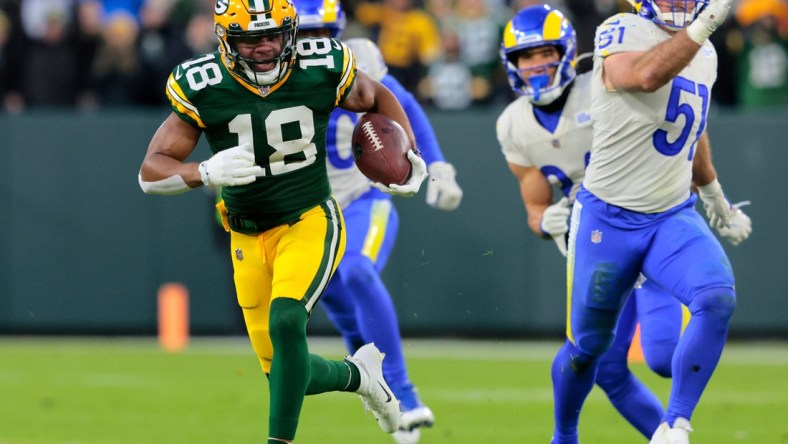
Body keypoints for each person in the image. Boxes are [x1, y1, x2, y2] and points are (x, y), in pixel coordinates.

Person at [137, 0, 429, 442]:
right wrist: (205, 172)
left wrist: (409, 154)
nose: (266, 47)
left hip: (308, 217)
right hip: (246, 232)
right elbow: (150, 171)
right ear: (226, 40)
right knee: (285, 377)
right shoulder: (203, 84)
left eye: (274, 35)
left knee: (288, 320)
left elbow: (377, 96)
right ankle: (361, 376)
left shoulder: (320, 65)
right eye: (252, 39)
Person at [496, 4, 752, 442]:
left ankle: (675, 426)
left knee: (713, 300)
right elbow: (647, 75)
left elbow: (692, 125)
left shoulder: (702, 51)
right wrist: (548, 222)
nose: (536, 65)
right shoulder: (621, 30)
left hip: (670, 213)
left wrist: (714, 196)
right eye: (526, 57)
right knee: (588, 352)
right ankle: (564, 436)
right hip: (606, 222)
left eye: (544, 53)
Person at [294, 1, 464, 442]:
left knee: (358, 271)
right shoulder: (269, 73)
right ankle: (387, 402)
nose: (313, 47)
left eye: (321, 35)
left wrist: (437, 166)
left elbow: (403, 104)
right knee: (348, 319)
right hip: (308, 211)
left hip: (360, 197)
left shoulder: (357, 58)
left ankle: (405, 394)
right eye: (304, 36)